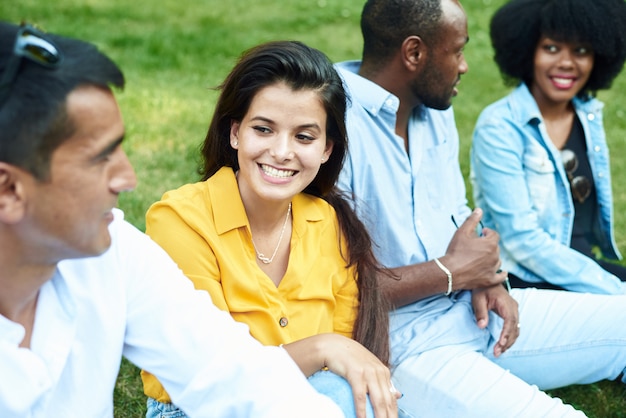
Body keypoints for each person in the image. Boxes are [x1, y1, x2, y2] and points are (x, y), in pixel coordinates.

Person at [0, 21, 348, 417]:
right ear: (9, 190)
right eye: (99, 158)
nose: (128, 179)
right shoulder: (169, 223)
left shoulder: (114, 251)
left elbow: (226, 369)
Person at [334, 0, 626, 416]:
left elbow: (459, 216)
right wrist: (453, 272)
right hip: (409, 347)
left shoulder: (433, 111)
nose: (465, 66)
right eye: (457, 50)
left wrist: (487, 279)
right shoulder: (328, 126)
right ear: (414, 53)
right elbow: (331, 288)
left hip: (476, 314)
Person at [140, 40, 399, 418]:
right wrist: (321, 348)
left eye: (304, 137)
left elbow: (345, 360)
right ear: (235, 133)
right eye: (263, 129)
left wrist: (331, 355)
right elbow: (201, 373)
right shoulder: (180, 220)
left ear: (327, 149)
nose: (281, 151)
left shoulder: (329, 224)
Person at [470, 0, 626, 294]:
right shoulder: (499, 126)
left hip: (580, 266)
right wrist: (613, 290)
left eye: (581, 50)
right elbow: (520, 239)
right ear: (528, 51)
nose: (567, 62)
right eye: (552, 48)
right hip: (526, 278)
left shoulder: (587, 115)